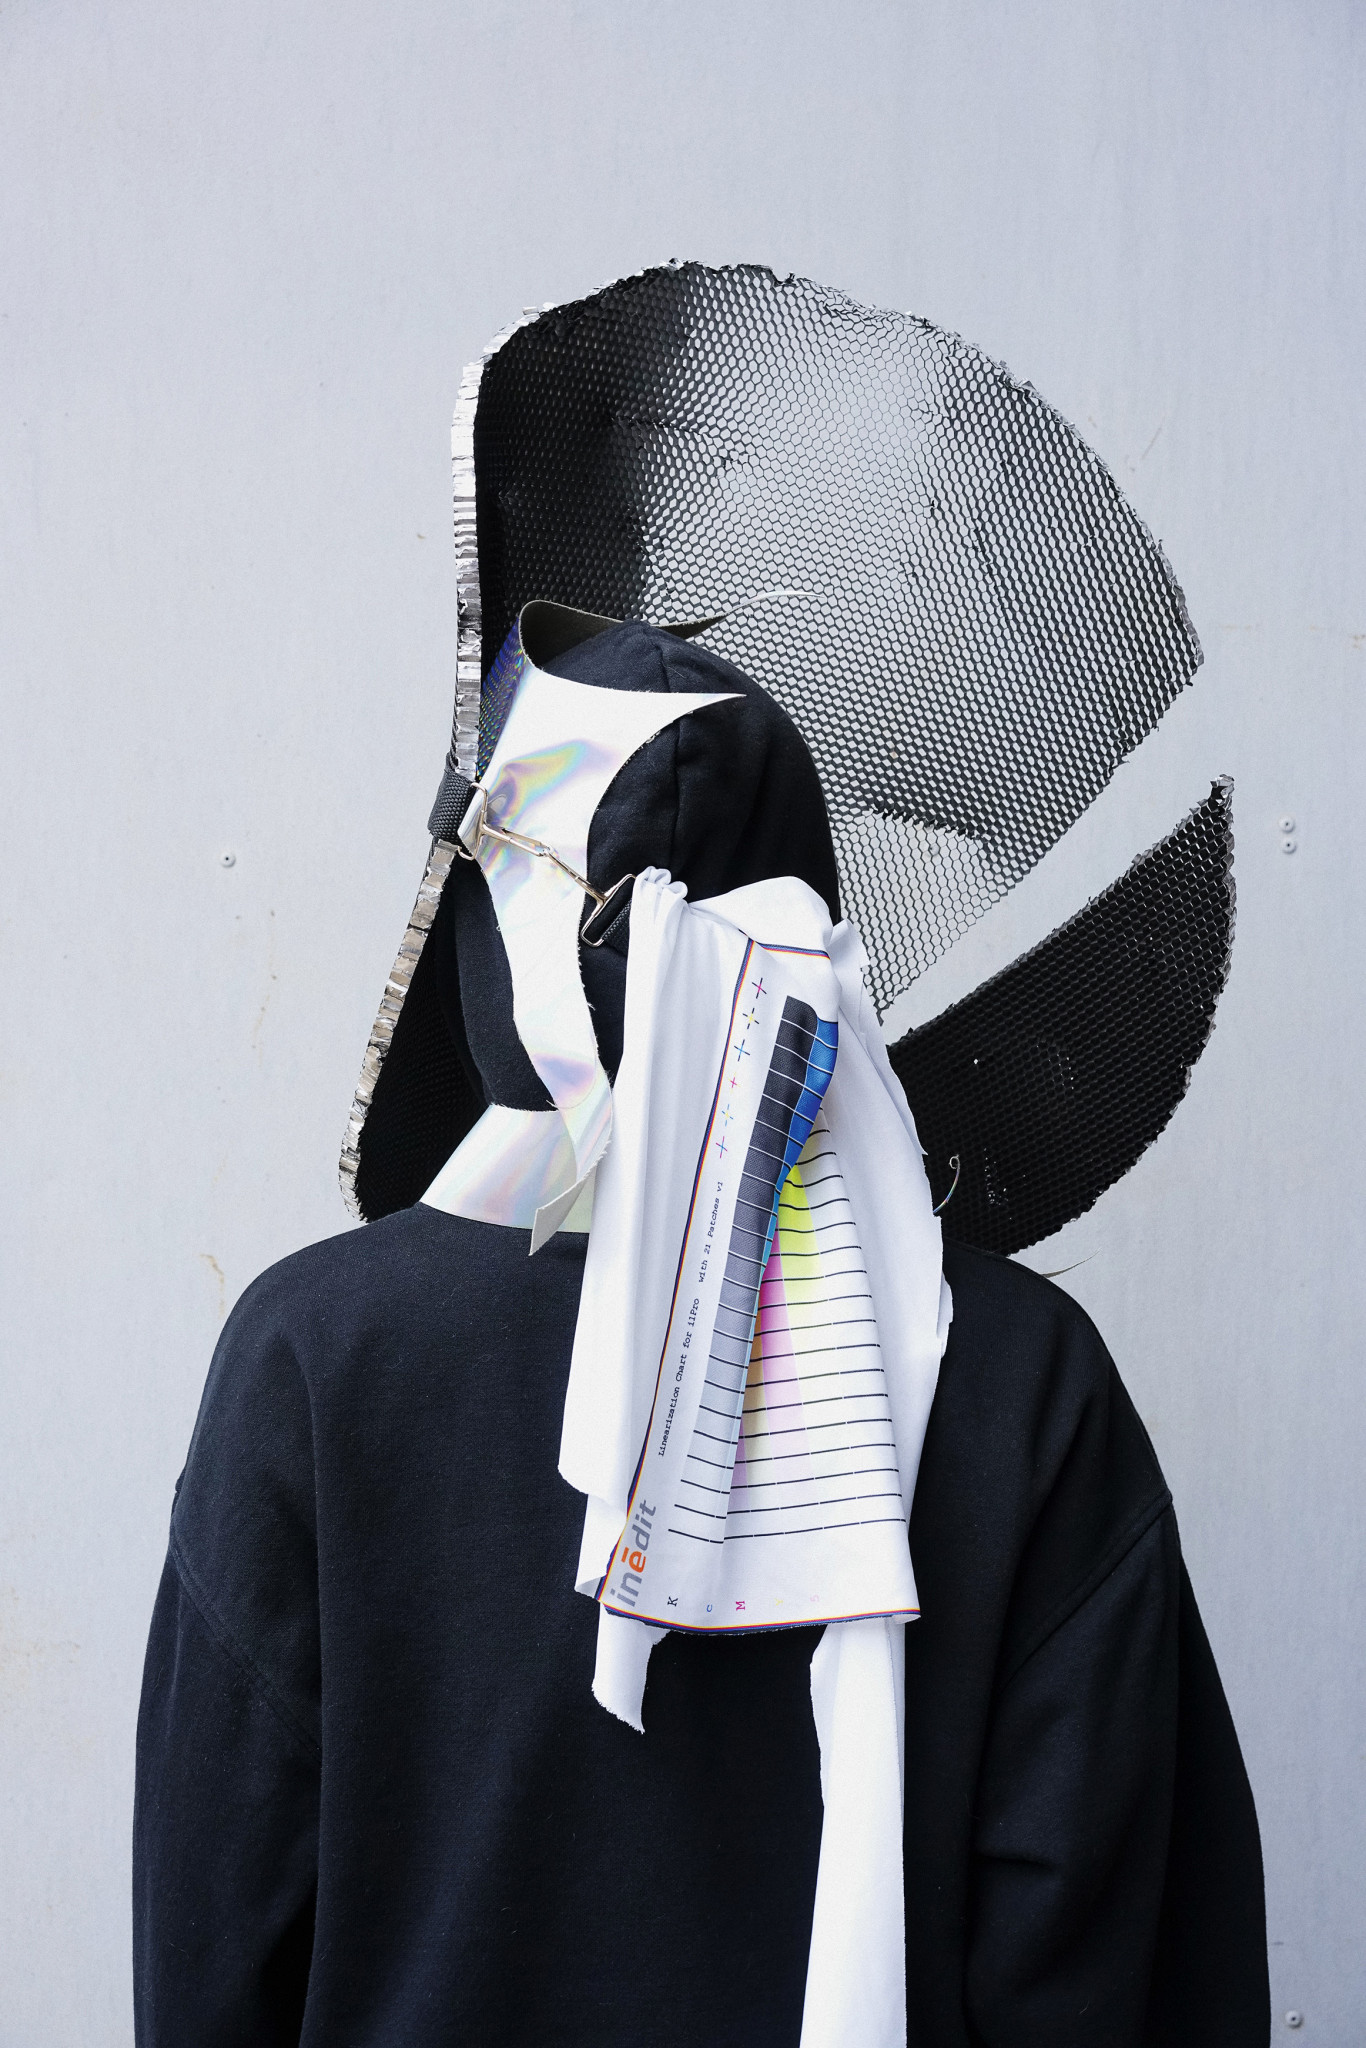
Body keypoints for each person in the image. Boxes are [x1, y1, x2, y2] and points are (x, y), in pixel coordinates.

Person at [134, 611, 1269, 2047]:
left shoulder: (313, 1358)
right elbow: (1124, 1974)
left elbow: (213, 1950)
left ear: (489, 920)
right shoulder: (1022, 1378)